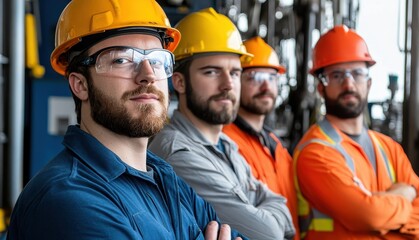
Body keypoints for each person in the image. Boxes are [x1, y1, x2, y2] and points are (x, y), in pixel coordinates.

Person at [7, 1, 247, 239]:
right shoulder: (69, 199)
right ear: (80, 85)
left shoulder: (165, 178)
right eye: (121, 60)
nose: (148, 75)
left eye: (157, 60)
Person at [149, 8, 295, 240]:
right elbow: (270, 234)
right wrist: (263, 210)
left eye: (235, 73)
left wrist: (267, 212)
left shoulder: (226, 145)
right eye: (211, 72)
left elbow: (282, 208)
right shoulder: (176, 152)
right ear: (179, 82)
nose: (228, 84)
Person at [293, 24, 419, 239]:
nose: (349, 84)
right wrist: (406, 195)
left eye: (357, 73)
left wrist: (381, 215)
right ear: (321, 88)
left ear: (369, 83)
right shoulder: (315, 153)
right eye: (336, 75)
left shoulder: (388, 148)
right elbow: (369, 216)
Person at [222, 36, 300, 240]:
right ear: (235, 81)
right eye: (255, 77)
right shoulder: (225, 142)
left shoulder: (275, 144)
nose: (266, 86)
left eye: (272, 77)